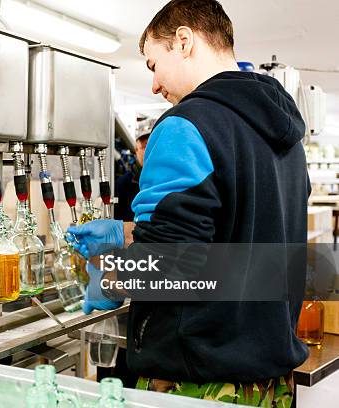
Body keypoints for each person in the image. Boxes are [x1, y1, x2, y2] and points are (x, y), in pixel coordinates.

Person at [67, 0, 309, 406]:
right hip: (271, 383)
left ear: (183, 41)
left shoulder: (187, 124)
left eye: (152, 64)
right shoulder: (285, 134)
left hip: (199, 382)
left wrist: (112, 281)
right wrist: (127, 232)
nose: (154, 85)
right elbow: (238, 237)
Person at [113, 129, 150, 222]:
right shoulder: (123, 183)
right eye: (144, 146)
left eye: (151, 145)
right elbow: (118, 217)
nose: (149, 150)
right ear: (136, 150)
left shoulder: (164, 179)